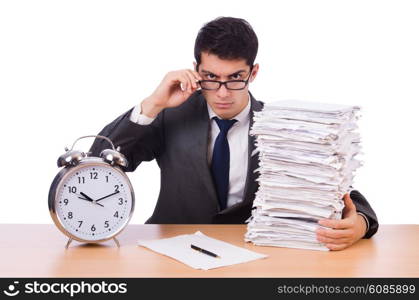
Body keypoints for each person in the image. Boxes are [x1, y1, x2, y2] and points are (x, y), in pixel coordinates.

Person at [90, 17, 378, 250]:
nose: (223, 93)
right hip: (168, 251)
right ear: (195, 70)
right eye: (211, 78)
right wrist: (153, 103)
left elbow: (338, 188)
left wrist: (361, 223)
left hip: (251, 254)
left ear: (253, 73)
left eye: (236, 78)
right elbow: (98, 164)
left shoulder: (279, 126)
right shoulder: (170, 116)